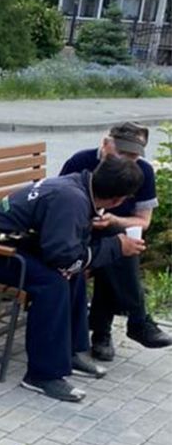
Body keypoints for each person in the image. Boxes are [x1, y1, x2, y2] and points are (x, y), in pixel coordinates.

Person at [0, 155, 145, 402]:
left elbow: (65, 252)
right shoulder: (71, 199)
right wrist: (114, 248)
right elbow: (63, 257)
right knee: (52, 282)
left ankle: (70, 353)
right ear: (117, 200)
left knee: (71, 274)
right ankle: (42, 375)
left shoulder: (78, 186)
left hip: (11, 246)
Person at [59, 122, 170, 360]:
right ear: (106, 143)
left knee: (117, 244)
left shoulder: (144, 172)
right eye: (122, 153)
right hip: (75, 233)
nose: (129, 160)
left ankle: (104, 332)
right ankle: (133, 322)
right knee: (117, 248)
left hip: (112, 230)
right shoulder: (81, 161)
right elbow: (61, 202)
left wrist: (114, 220)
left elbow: (143, 222)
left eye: (134, 155)